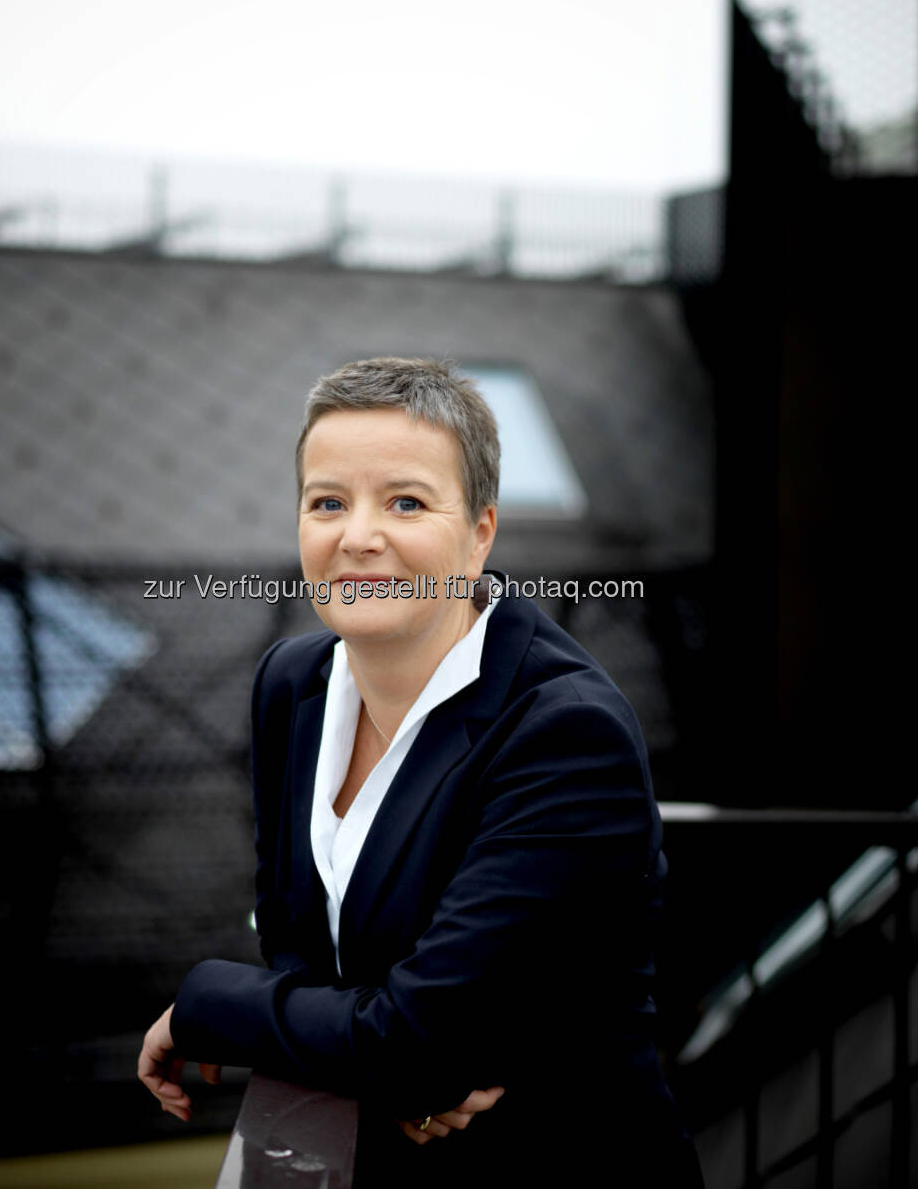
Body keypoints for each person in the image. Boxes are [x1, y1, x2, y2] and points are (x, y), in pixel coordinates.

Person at [138, 356, 703, 1187]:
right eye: (328, 502)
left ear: (479, 534)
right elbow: (302, 951)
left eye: (406, 502)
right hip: (363, 1154)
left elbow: (416, 1045)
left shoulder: (565, 732)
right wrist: (387, 1063)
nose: (358, 536)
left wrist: (206, 1004)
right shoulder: (290, 684)